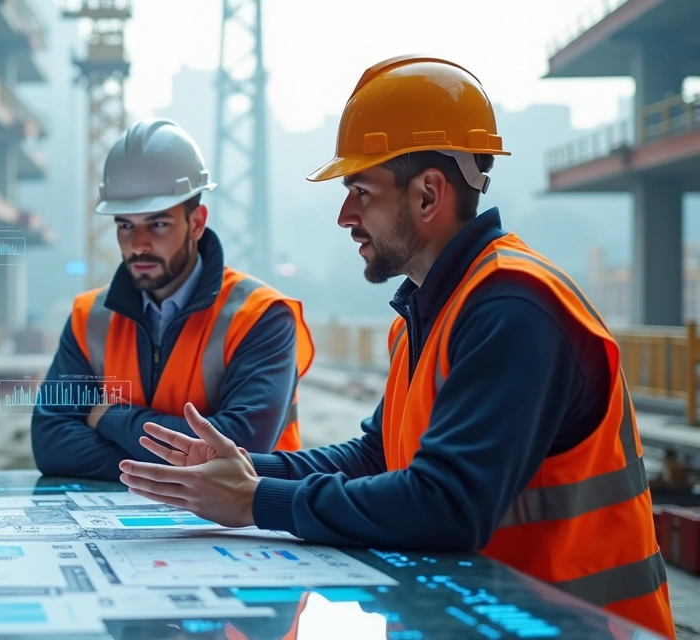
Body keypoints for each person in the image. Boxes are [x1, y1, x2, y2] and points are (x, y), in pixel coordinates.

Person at [117, 56, 675, 638]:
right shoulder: (434, 310)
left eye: (360, 190)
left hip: (577, 627)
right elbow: (376, 458)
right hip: (492, 619)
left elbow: (446, 504)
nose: (345, 215)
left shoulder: (513, 309)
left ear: (428, 195)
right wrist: (241, 470)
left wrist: (258, 502)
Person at [31, 118, 315, 481]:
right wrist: (177, 462)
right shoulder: (90, 318)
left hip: (248, 525)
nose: (139, 244)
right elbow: (51, 443)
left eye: (158, 223)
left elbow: (243, 449)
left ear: (196, 223)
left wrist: (108, 416)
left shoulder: (261, 316)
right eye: (125, 225)